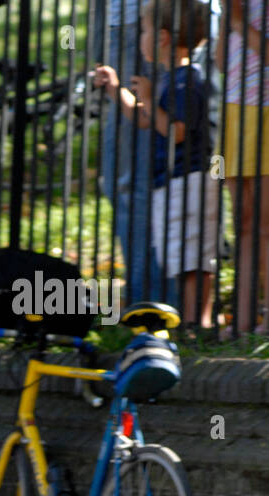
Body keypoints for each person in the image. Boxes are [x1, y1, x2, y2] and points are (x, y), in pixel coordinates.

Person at [94, 0, 219, 333]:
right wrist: (116, 89)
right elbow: (146, 121)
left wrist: (148, 96)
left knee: (193, 257)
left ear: (162, 37)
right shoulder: (169, 79)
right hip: (172, 181)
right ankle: (187, 322)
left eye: (145, 31)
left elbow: (175, 131)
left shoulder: (186, 81)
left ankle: (197, 323)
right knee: (180, 256)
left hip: (190, 180)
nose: (141, 37)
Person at [218, 0, 269, 334]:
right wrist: (227, 14)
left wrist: (236, 19)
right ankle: (245, 316)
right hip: (234, 112)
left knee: (267, 224)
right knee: (245, 224)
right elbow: (221, 62)